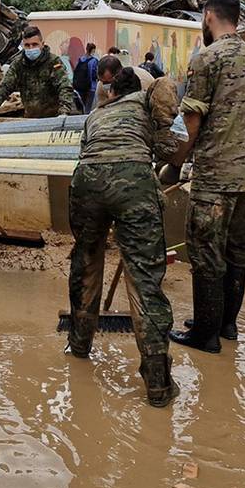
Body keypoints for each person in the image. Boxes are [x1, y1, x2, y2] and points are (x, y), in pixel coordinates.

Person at [67, 66, 180, 407]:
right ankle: (158, 383)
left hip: (86, 179)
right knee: (144, 277)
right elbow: (168, 146)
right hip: (133, 180)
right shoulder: (148, 103)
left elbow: (87, 153)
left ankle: (79, 345)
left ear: (112, 92)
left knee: (85, 261)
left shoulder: (96, 114)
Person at [166, 0, 245, 354]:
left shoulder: (206, 58)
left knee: (206, 254)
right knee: (236, 252)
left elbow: (191, 121)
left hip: (214, 178)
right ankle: (225, 325)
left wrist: (175, 162)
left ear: (209, 16)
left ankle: (204, 336)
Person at [0, 26, 75, 121]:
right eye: (27, 45)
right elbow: (5, 87)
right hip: (30, 118)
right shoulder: (18, 64)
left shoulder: (53, 62)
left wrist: (64, 112)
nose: (31, 48)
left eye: (34, 44)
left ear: (42, 44)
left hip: (53, 118)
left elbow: (64, 87)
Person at [72, 43, 99, 114]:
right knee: (88, 107)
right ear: (93, 50)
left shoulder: (80, 59)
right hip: (91, 87)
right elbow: (94, 74)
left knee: (82, 105)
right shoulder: (94, 61)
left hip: (80, 87)